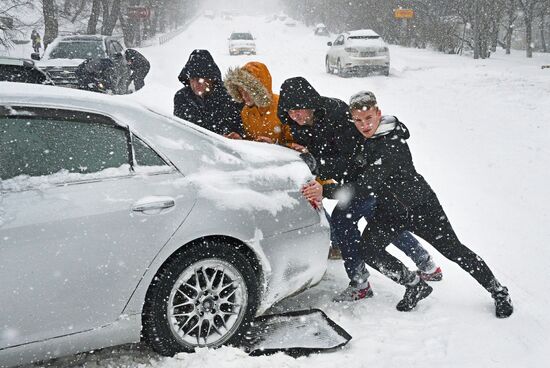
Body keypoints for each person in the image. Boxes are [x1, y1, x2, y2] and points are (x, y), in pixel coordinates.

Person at [303, 90, 513, 317]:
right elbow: (350, 168)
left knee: (455, 251)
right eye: (358, 120)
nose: (364, 125)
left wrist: (327, 190)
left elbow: (366, 185)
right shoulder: (366, 141)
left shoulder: (391, 143)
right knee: (368, 250)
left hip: (420, 207)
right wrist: (315, 164)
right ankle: (415, 284)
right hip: (390, 211)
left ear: (378, 113)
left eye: (368, 118)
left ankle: (499, 291)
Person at [278, 77, 442, 302]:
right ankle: (426, 264)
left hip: (367, 178)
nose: (294, 116)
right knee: (379, 219)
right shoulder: (302, 124)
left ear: (311, 103)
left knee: (345, 220)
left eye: (298, 110)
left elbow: (350, 160)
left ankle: (360, 282)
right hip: (359, 181)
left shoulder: (336, 116)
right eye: (290, 111)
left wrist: (319, 165)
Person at [174, 49, 243, 137]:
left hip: (223, 148)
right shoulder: (182, 97)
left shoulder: (229, 96)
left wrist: (237, 135)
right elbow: (178, 129)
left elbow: (240, 126)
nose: (195, 84)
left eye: (199, 79)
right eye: (192, 80)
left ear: (211, 79)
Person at [224, 61, 293, 144]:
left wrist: (275, 145)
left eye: (248, 91)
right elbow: (251, 142)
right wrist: (241, 140)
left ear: (259, 90)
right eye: (241, 91)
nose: (244, 96)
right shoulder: (245, 111)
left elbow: (295, 146)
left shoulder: (282, 106)